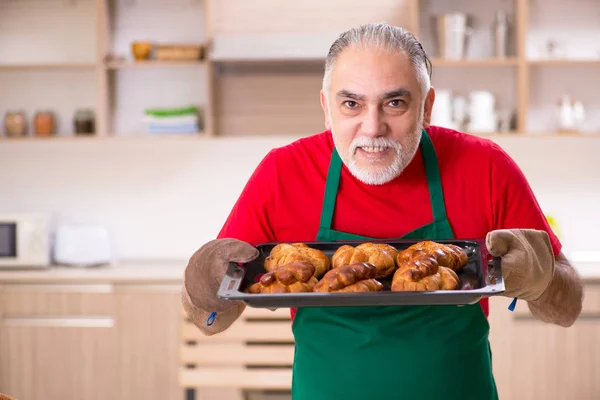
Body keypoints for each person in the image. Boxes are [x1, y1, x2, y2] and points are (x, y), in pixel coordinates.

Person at [182, 23, 583, 400]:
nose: (372, 128)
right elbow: (209, 320)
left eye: (394, 102)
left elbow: (567, 310)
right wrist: (203, 289)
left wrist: (542, 278)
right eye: (352, 104)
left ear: (427, 106)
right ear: (327, 107)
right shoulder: (283, 174)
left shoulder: (486, 168)